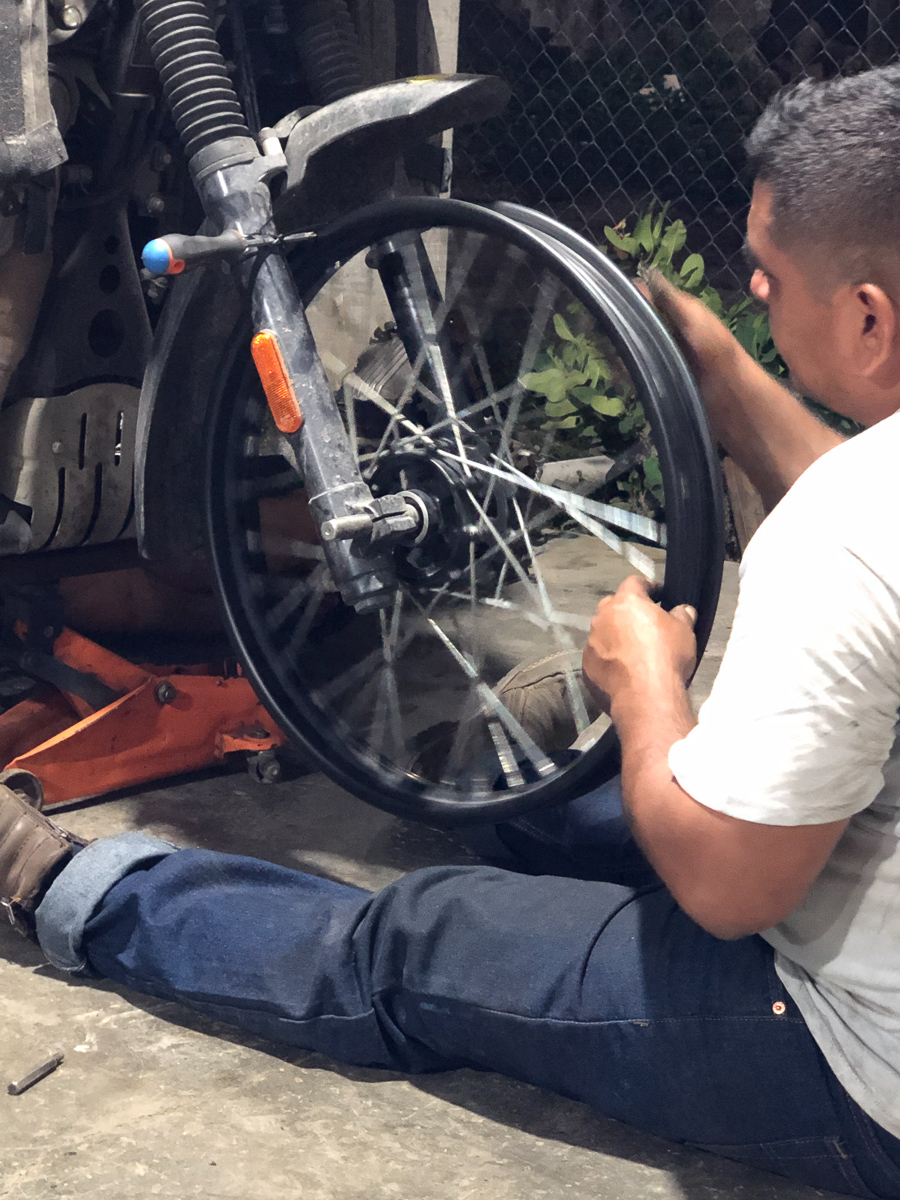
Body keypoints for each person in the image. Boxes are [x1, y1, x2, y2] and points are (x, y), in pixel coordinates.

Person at [4, 66, 900, 1198]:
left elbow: (730, 889)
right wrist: (718, 371)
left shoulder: (845, 531)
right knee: (547, 796)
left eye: (770, 270)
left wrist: (645, 690)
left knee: (418, 938)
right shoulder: (869, 501)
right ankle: (489, 796)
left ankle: (62, 885)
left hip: (850, 1063)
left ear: (869, 318)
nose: (754, 280)